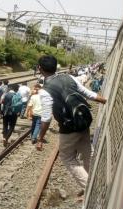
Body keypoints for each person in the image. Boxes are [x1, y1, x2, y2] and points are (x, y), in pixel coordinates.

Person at [36, 55, 107, 190]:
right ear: (56, 66)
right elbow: (88, 93)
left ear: (40, 69)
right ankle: (95, 181)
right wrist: (104, 100)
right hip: (83, 120)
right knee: (87, 151)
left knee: (67, 157)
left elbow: (46, 118)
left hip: (69, 127)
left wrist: (40, 138)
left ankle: (91, 189)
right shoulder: (69, 77)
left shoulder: (45, 91)